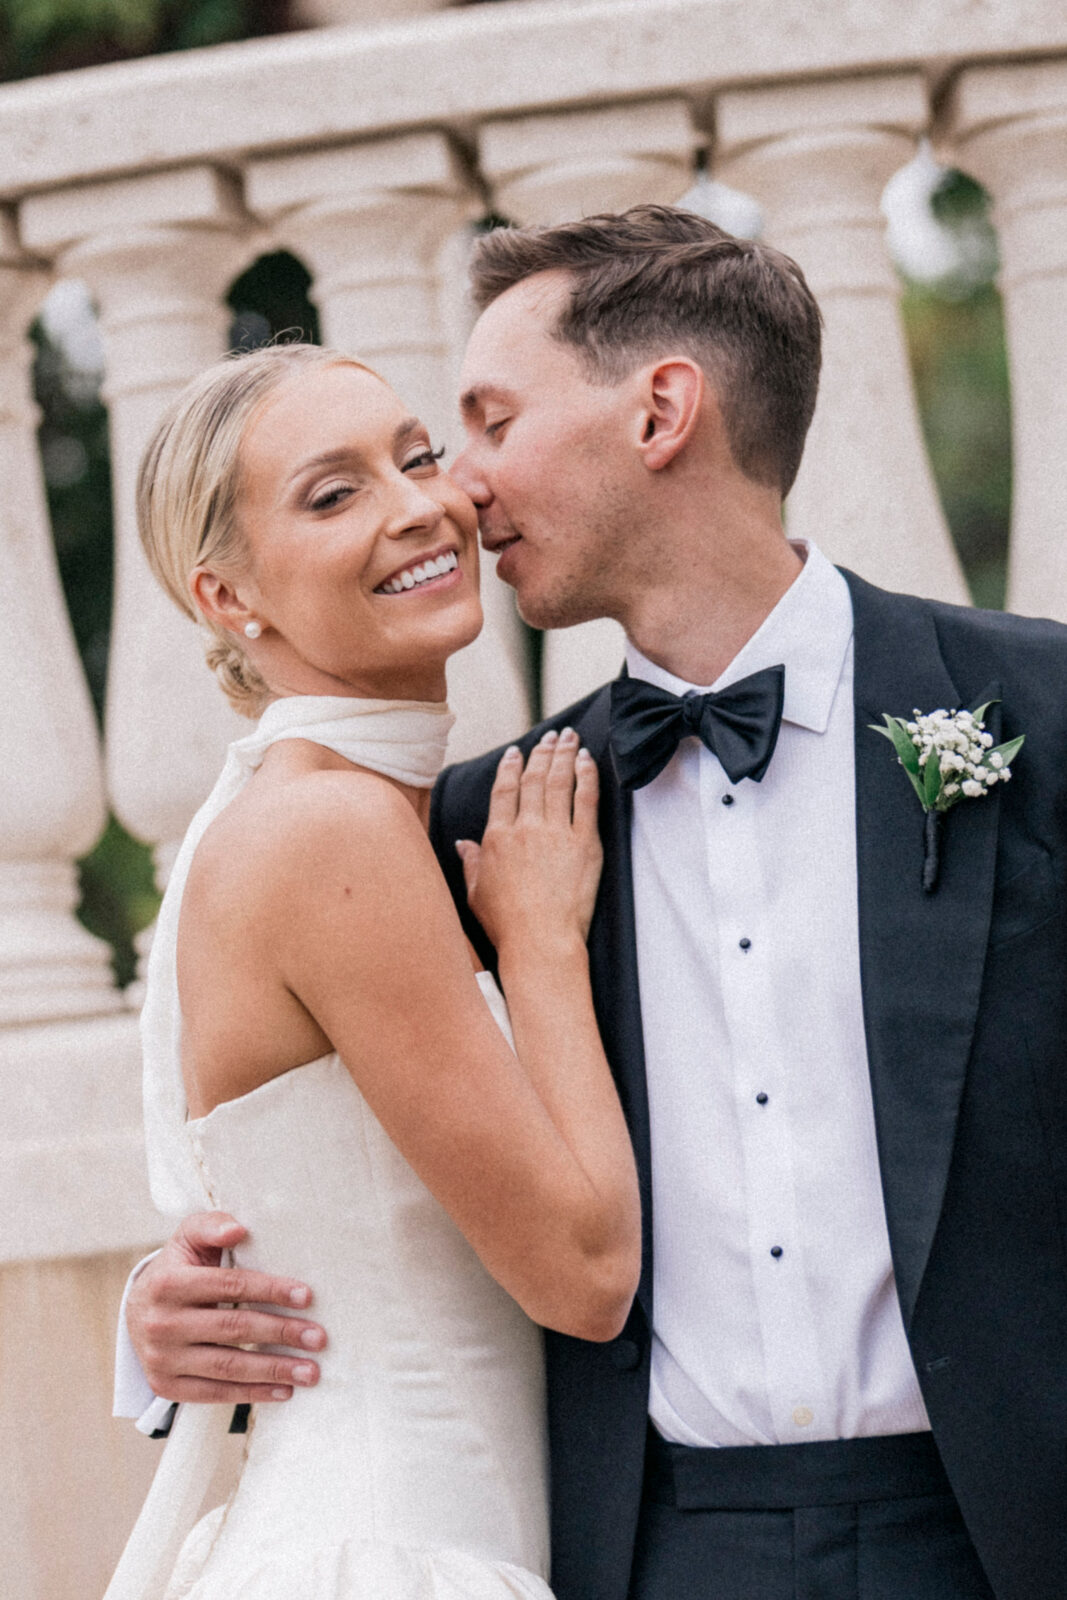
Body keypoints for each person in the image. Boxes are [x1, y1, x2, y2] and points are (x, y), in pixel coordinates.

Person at [118, 208, 1067, 1600]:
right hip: (653, 1552)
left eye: (476, 430)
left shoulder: (1034, 713)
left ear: (661, 411)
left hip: (1006, 1524)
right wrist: (174, 1324)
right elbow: (335, 1153)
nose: (457, 494)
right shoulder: (479, 828)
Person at [103, 341, 641, 1600]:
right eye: (332, 492)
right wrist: (543, 943)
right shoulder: (328, 832)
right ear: (230, 599)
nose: (418, 506)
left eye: (414, 456)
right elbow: (584, 1272)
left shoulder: (331, 814)